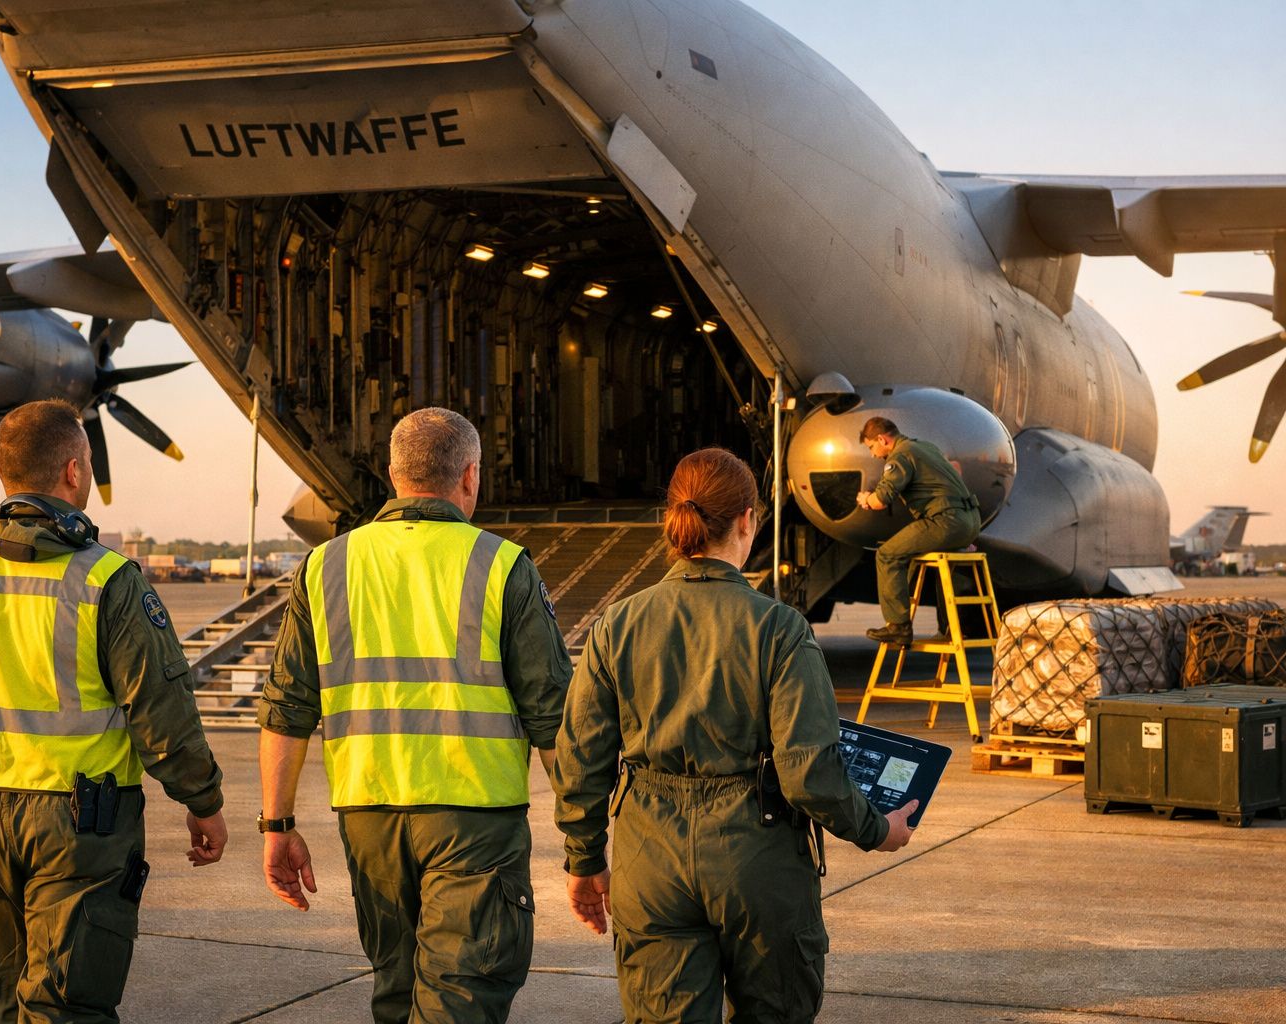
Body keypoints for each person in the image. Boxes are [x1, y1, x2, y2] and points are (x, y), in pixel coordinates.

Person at [0, 399, 228, 1024]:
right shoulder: (108, 579)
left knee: (7, 1000)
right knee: (69, 1006)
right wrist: (203, 802)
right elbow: (162, 712)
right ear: (72, 471)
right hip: (80, 822)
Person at [553, 447, 917, 1024]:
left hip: (649, 855)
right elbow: (810, 775)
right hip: (758, 855)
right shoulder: (779, 630)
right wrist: (878, 829)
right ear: (748, 521)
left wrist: (584, 858)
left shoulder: (615, 625)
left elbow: (580, 759)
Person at [256, 406, 571, 1024]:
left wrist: (276, 824)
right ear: (470, 477)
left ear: (394, 476)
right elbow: (551, 716)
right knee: (461, 999)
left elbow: (288, 708)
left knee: (397, 995)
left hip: (370, 820)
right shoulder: (501, 564)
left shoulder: (327, 565)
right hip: (474, 820)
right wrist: (585, 835)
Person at [854, 416, 981, 646]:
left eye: (872, 447)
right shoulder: (925, 447)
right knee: (911, 555)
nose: (873, 454)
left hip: (945, 521)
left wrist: (865, 499)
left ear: (882, 439)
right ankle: (950, 629)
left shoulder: (900, 455)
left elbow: (881, 500)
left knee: (887, 554)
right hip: (969, 521)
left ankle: (899, 626)